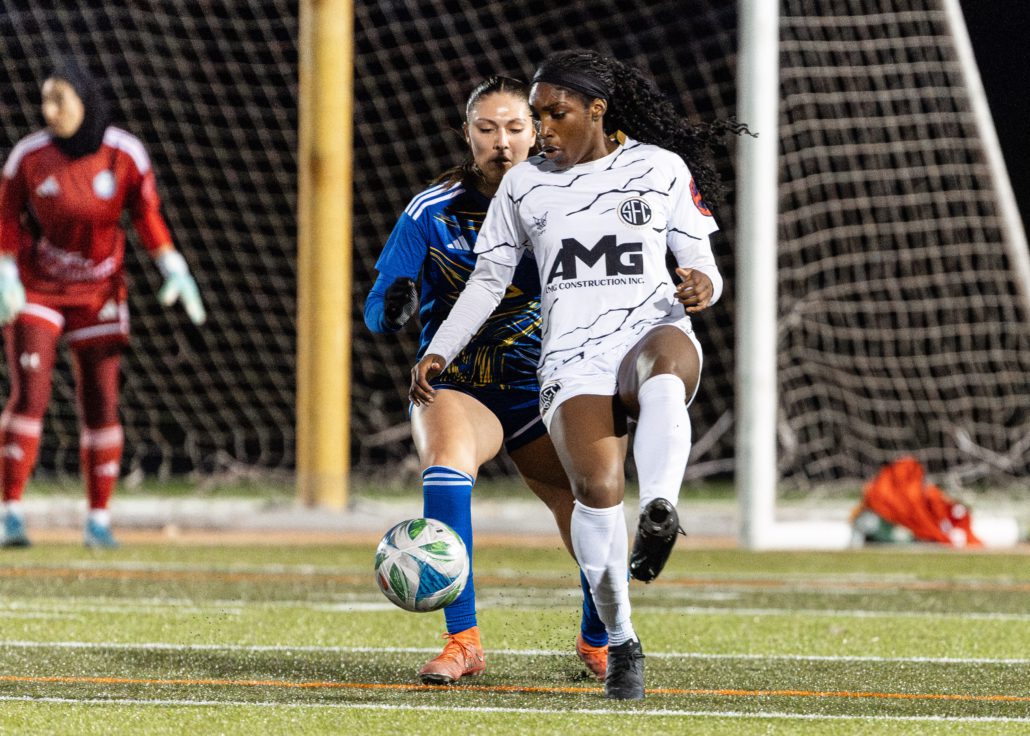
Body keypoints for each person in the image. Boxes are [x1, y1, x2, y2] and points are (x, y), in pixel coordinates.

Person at [410, 50, 747, 699]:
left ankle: (662, 508)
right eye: (537, 116)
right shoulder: (525, 186)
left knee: (664, 374)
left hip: (651, 326)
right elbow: (488, 280)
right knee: (594, 489)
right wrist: (440, 349)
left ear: (597, 111)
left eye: (555, 114)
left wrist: (706, 281)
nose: (544, 128)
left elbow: (699, 253)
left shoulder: (658, 168)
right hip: (570, 357)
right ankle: (620, 639)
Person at [366, 76, 610, 686]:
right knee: (446, 466)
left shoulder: (569, 200)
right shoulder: (431, 211)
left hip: (542, 385)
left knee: (590, 501)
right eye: (486, 129)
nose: (502, 142)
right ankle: (463, 641)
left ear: (538, 132)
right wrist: (392, 304)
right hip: (458, 384)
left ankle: (599, 637)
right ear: (467, 135)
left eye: (515, 128)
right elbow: (376, 308)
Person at [0, 58, 205, 549]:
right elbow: (6, 217)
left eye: (60, 99)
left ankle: (98, 521)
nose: (49, 110)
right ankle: (9, 513)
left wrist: (172, 265)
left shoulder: (124, 154)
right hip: (38, 288)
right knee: (31, 392)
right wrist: (6, 272)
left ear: (85, 100)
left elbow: (146, 215)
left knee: (102, 400)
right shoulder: (28, 157)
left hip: (99, 292)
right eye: (45, 99)